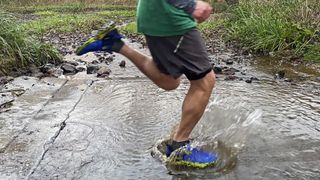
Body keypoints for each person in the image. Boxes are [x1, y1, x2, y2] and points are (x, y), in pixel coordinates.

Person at [76, 0, 217, 165]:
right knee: (204, 81)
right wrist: (189, 5)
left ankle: (113, 43)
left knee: (169, 81)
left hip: (156, 14)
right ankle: (179, 146)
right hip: (171, 17)